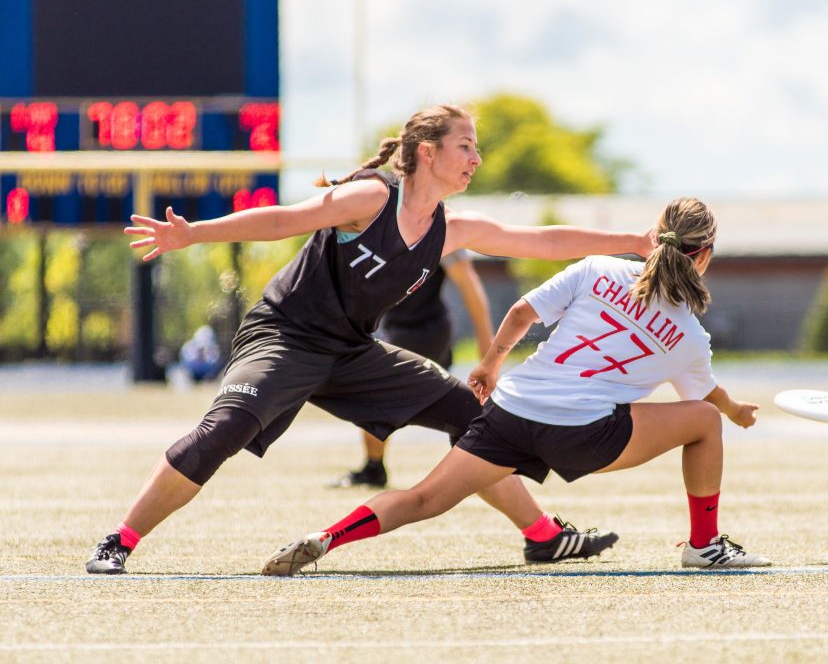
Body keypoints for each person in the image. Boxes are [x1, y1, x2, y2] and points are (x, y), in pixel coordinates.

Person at [85, 103, 652, 574]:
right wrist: (192, 235)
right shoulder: (373, 199)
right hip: (285, 336)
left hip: (351, 352)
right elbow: (283, 220)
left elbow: (542, 240)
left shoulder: (449, 228)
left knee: (472, 414)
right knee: (225, 429)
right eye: (466, 147)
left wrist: (631, 239)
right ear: (427, 151)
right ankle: (120, 541)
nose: (476, 159)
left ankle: (543, 536)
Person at [261, 197, 771, 576]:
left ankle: (328, 536)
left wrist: (489, 364)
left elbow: (522, 312)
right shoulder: (689, 334)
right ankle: (704, 546)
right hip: (584, 436)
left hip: (512, 413)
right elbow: (705, 398)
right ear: (704, 256)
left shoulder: (596, 270)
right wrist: (733, 411)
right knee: (703, 424)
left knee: (422, 498)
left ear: (654, 236)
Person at [327, 249, 493, 488]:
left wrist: (485, 339)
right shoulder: (389, 229)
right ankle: (478, 461)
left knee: (374, 396)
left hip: (423, 331)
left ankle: (375, 468)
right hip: (410, 329)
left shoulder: (443, 230)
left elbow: (469, 284)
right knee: (436, 399)